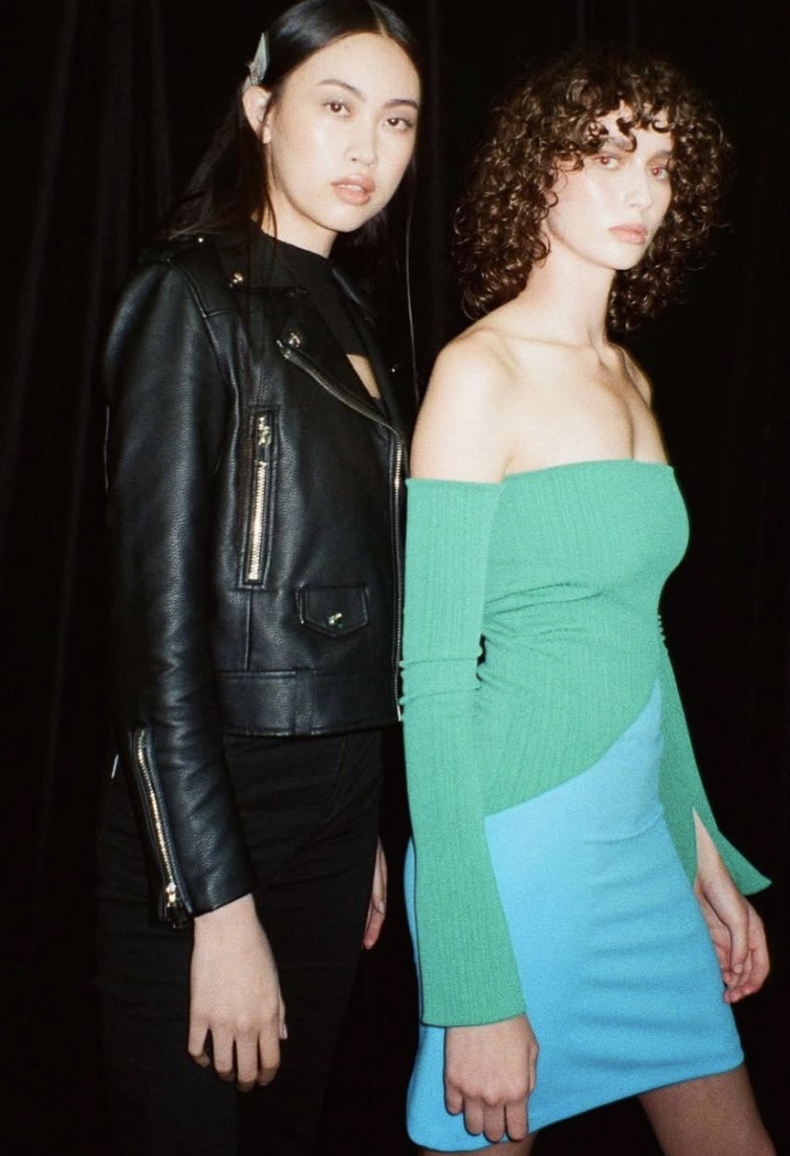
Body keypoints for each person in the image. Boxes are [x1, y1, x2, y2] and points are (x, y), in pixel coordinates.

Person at [400, 48, 774, 1155]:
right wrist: (471, 987)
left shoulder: (630, 377)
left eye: (660, 164)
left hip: (637, 853)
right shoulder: (479, 373)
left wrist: (702, 854)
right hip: (517, 854)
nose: (638, 189)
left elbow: (638, 634)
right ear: (539, 174)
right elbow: (427, 684)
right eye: (607, 153)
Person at [96, 2, 420, 1153]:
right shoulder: (187, 298)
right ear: (259, 110)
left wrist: (362, 818)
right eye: (334, 108)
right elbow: (157, 645)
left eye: (395, 120)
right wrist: (216, 907)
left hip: (332, 814)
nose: (365, 149)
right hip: (206, 814)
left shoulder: (350, 314)